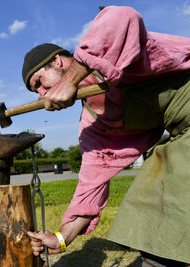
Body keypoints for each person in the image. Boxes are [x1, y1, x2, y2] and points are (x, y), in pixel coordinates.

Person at [23, 6, 190, 266]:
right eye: (37, 92)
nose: (42, 94)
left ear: (56, 61)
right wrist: (61, 238)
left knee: (174, 174)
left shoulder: (113, 48)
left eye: (39, 83)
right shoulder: (94, 124)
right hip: (184, 134)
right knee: (151, 192)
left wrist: (69, 82)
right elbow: (91, 187)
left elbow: (122, 16)